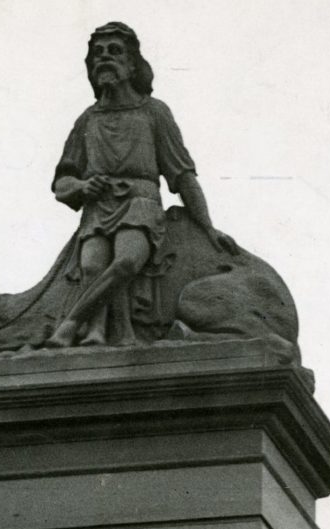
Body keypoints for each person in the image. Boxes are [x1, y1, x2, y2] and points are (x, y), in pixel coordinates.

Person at [46, 22, 237, 348]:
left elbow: (183, 176)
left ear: (132, 64)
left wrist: (208, 227)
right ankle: (102, 333)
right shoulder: (87, 121)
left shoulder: (154, 113)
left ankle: (71, 323)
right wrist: (81, 187)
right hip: (98, 207)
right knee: (92, 266)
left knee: (126, 262)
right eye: (98, 53)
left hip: (141, 203)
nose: (104, 58)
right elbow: (61, 183)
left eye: (114, 51)